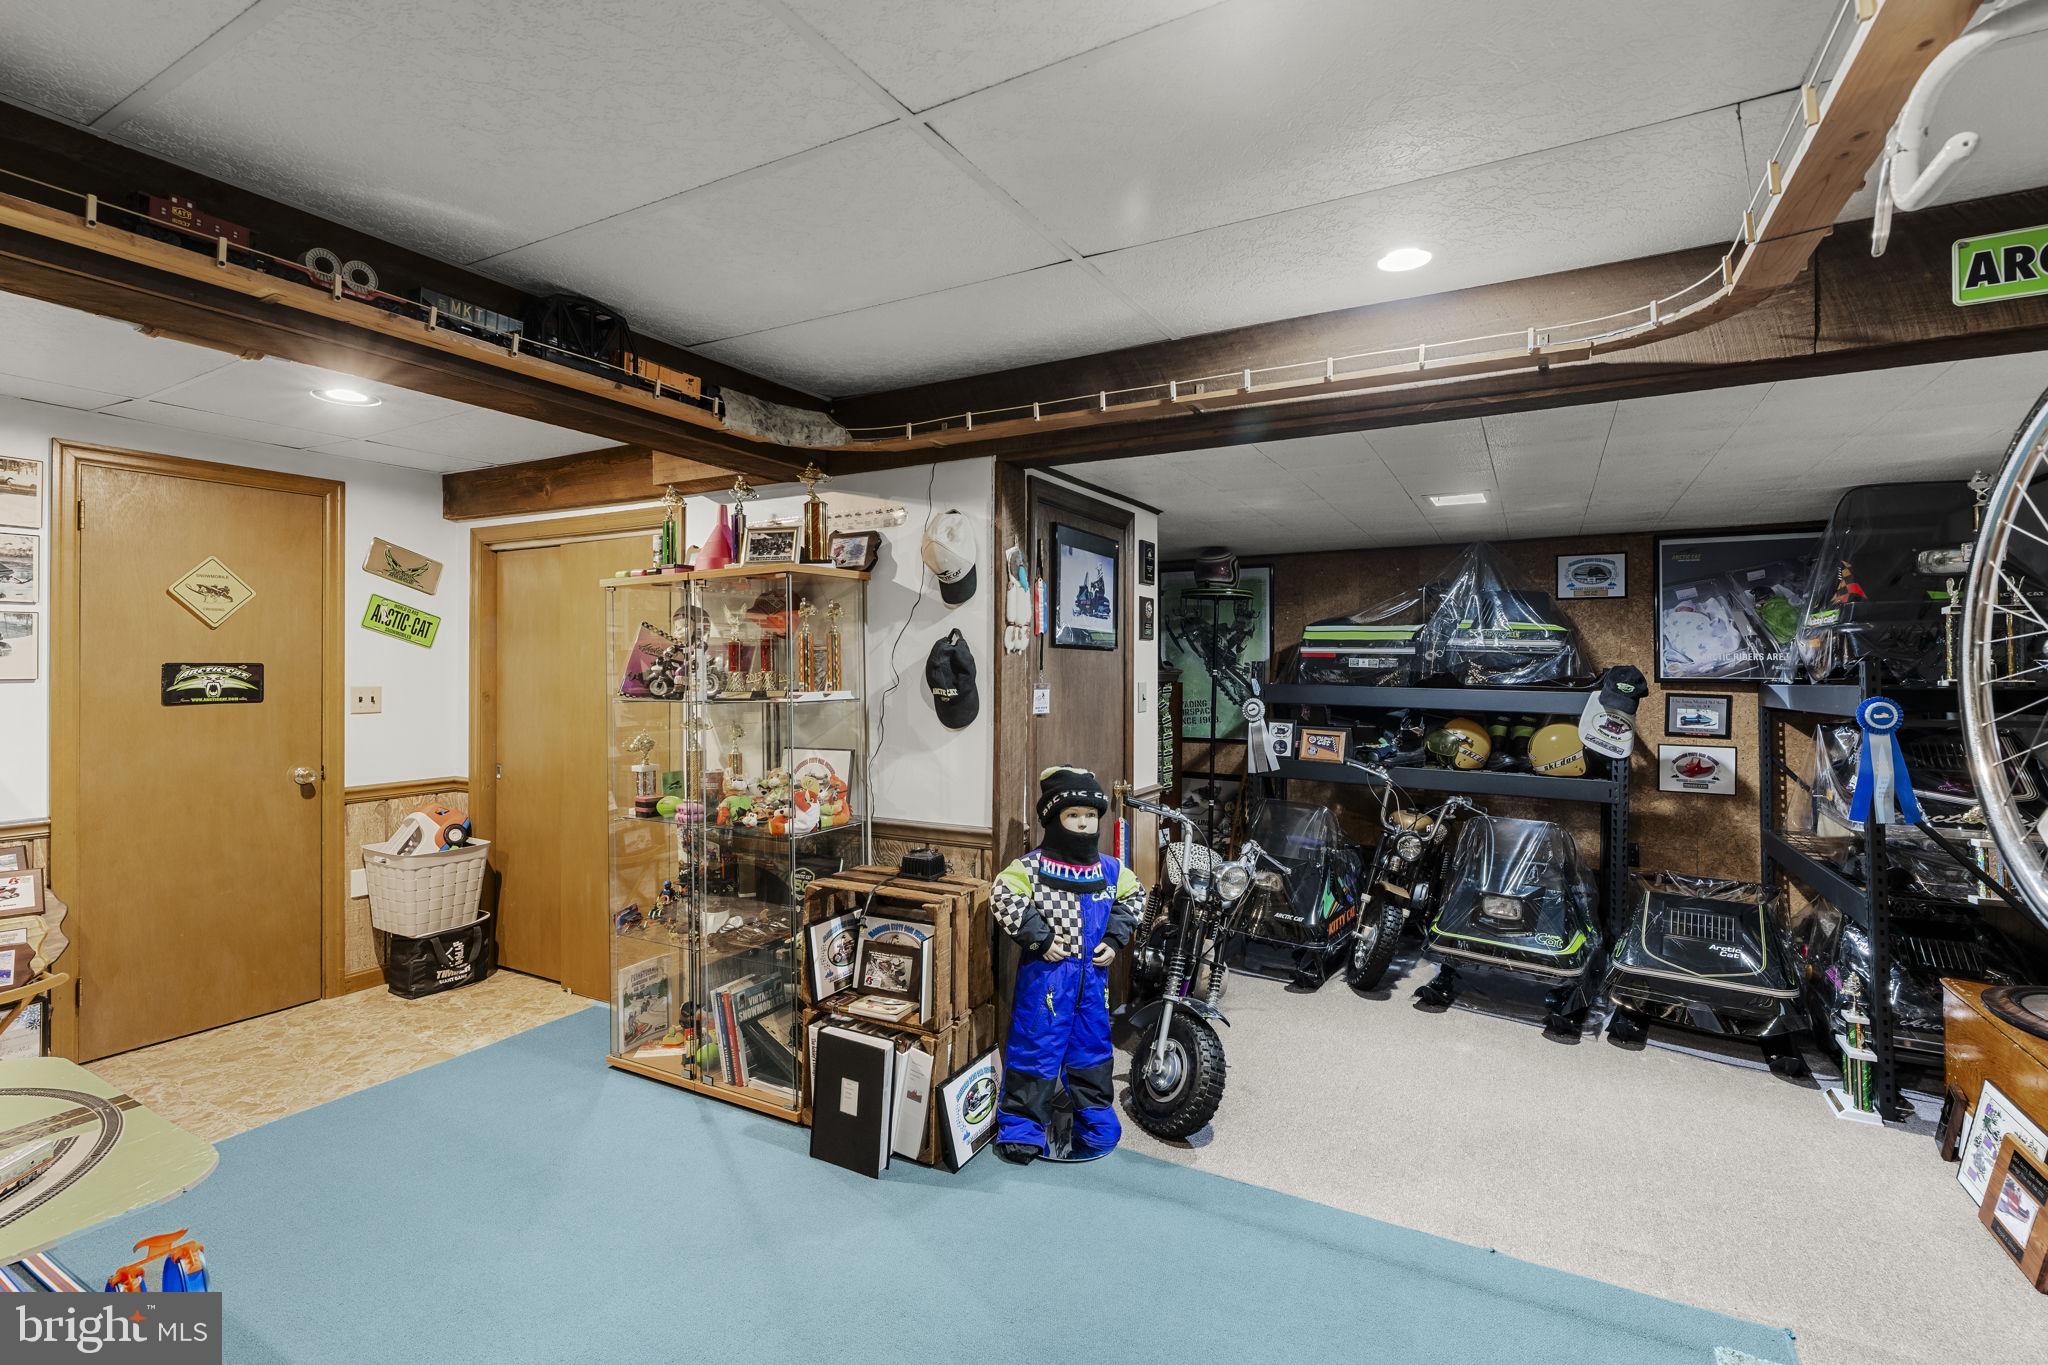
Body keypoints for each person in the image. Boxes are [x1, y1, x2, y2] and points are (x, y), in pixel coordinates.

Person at [988, 766, 1145, 1162]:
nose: (1083, 823)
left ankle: (1095, 1118)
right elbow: (1002, 894)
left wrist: (1115, 938)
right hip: (1046, 981)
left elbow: (1135, 897)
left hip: (1093, 983)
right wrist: (1040, 938)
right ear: (1053, 818)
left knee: (1092, 1050)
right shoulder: (1031, 867)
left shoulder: (1110, 869)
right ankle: (1021, 1127)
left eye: (1090, 815)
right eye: (1073, 815)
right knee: (1035, 1049)